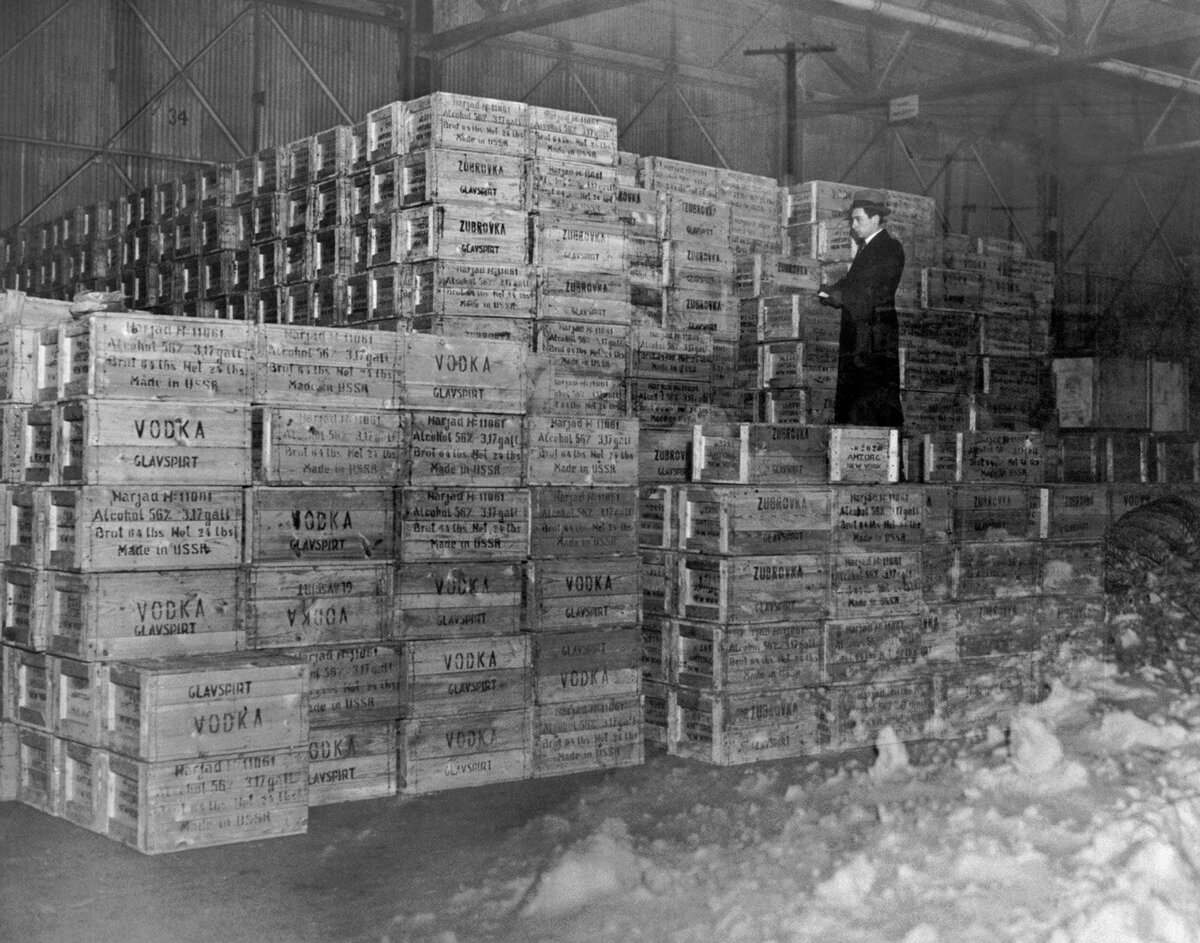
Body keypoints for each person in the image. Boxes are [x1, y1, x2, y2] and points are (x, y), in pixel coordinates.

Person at [818, 189, 905, 427]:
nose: (853, 225)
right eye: (852, 220)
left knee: (873, 399)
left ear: (875, 218)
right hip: (861, 336)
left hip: (874, 338)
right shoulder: (868, 248)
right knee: (856, 398)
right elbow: (853, 283)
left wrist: (840, 296)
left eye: (858, 219)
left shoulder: (889, 248)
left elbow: (876, 291)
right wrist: (831, 290)